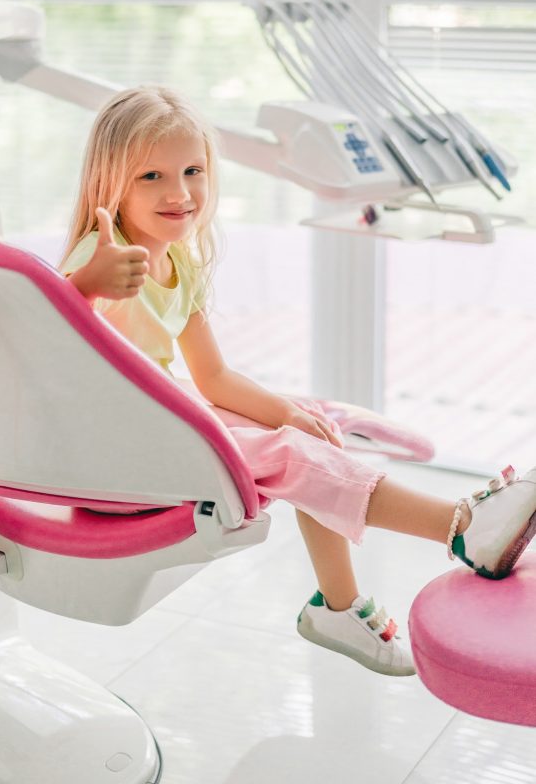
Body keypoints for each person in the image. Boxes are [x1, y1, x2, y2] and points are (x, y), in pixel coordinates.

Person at [60, 84, 536, 677]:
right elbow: (47, 346)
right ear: (110, 183)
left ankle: (338, 607)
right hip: (109, 455)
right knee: (291, 454)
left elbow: (213, 376)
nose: (179, 193)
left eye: (192, 170)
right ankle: (463, 528)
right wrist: (86, 286)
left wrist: (287, 413)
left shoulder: (177, 259)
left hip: (155, 419)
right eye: (150, 177)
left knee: (302, 434)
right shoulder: (99, 256)